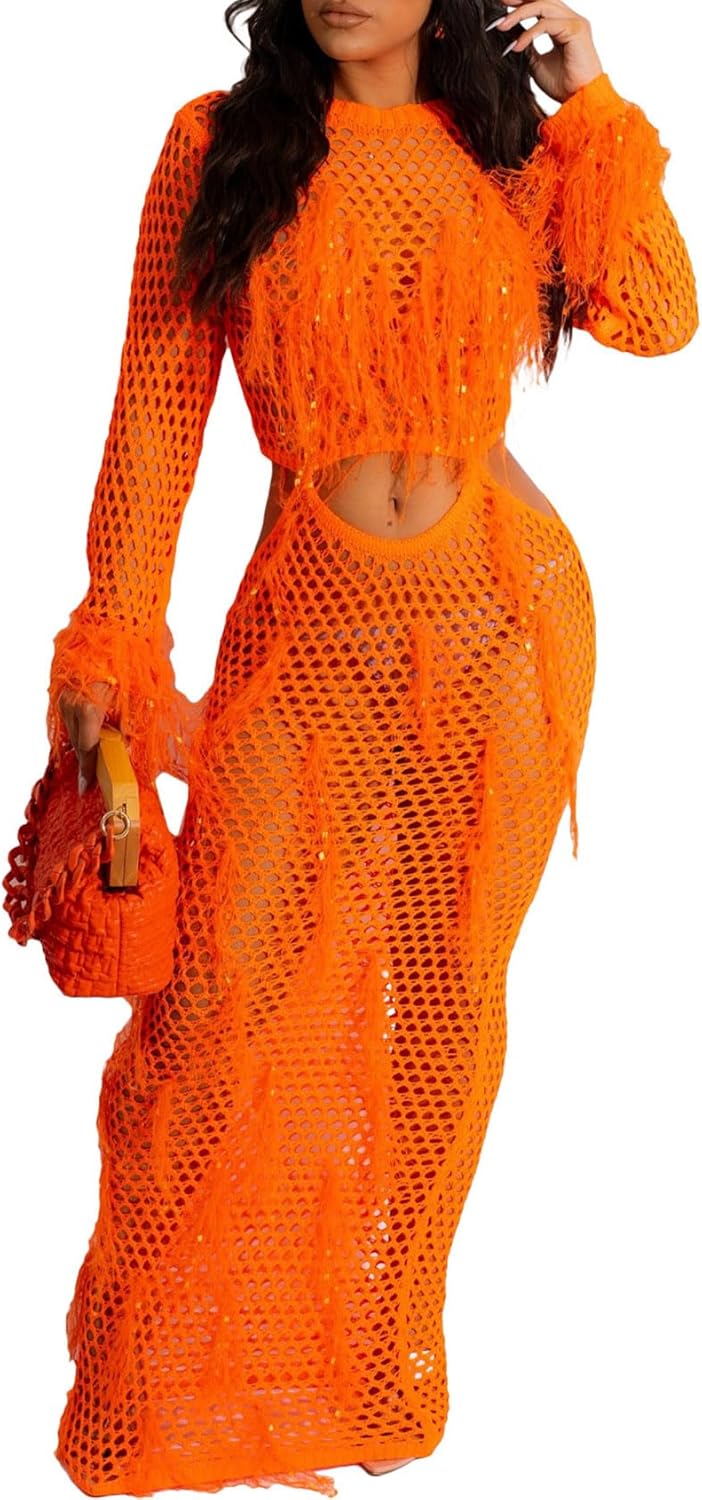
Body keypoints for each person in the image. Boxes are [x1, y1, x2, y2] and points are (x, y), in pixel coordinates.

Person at [43, 2, 697, 1496]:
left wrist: (591, 102)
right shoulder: (223, 146)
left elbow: (659, 313)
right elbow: (155, 416)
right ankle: (150, 1387)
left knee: (443, 1006)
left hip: (501, 621)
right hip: (306, 627)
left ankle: (376, 1362)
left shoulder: (506, 148)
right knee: (216, 1002)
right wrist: (113, 642)